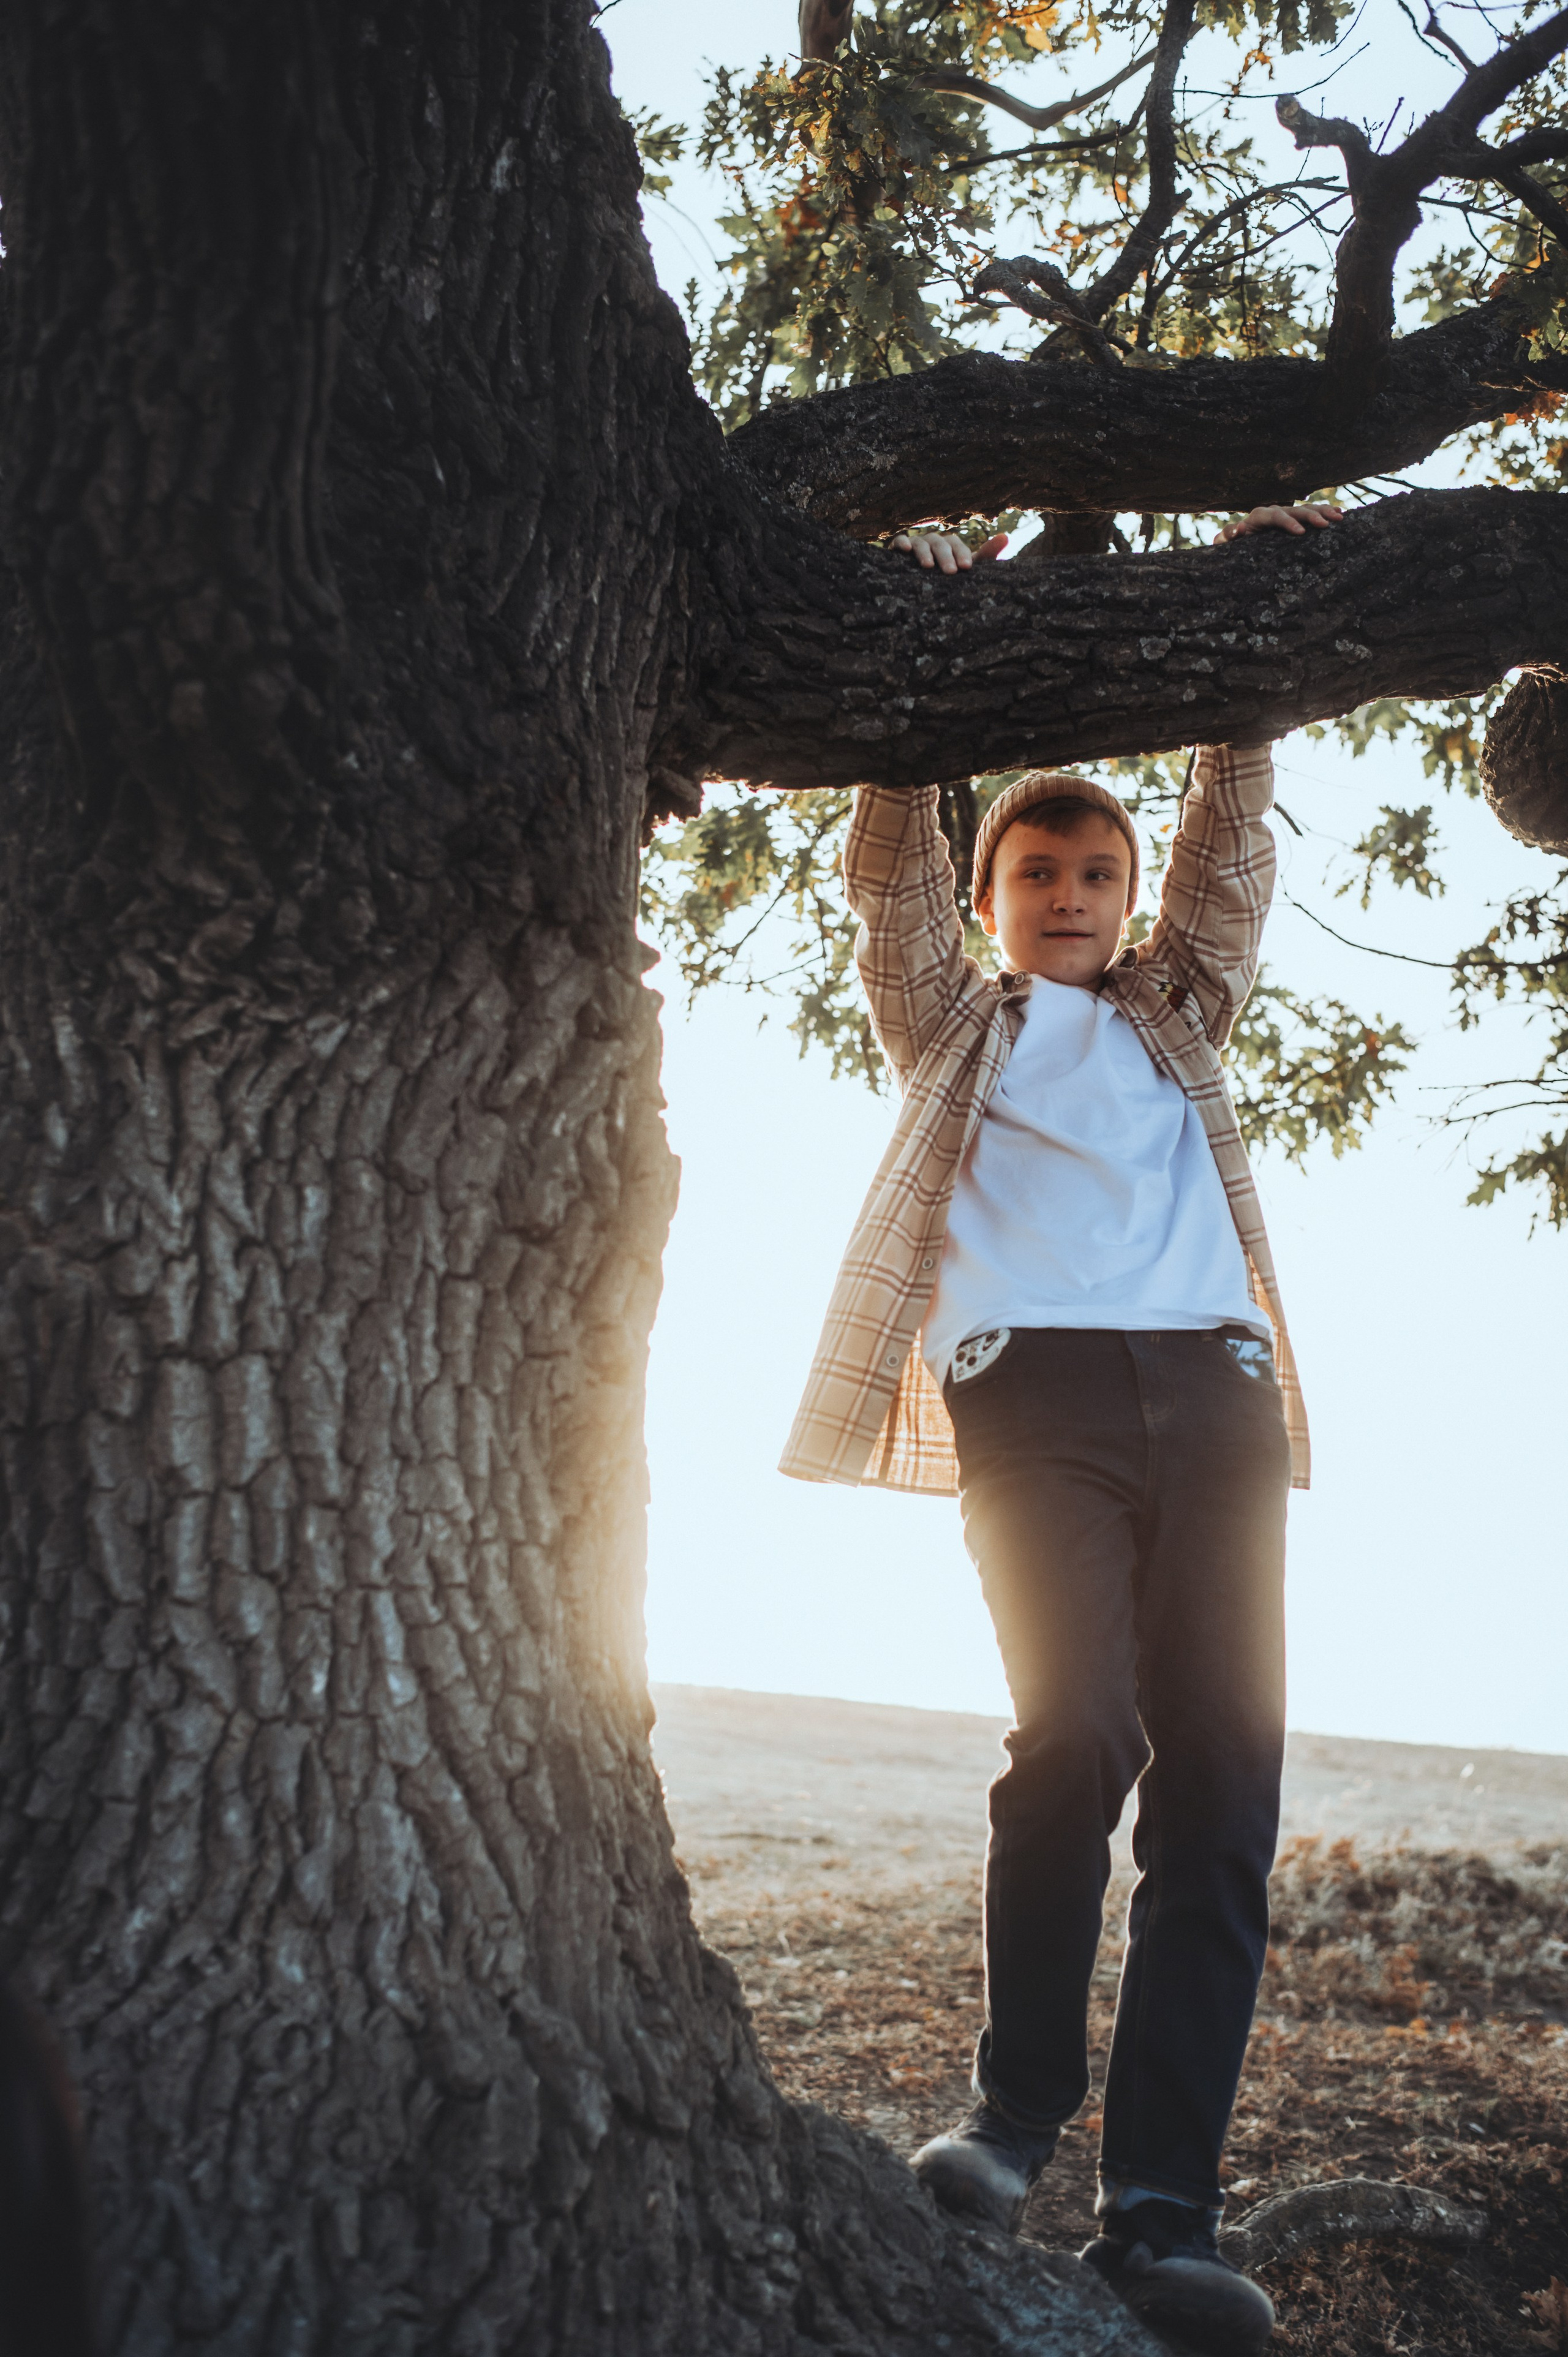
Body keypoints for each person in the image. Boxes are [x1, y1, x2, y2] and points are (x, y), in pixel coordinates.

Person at [779, 502, 1341, 2357]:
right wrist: (923, 668)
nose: (1079, 896)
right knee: (1080, 1730)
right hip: (1033, 1392)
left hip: (1216, 1390)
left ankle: (1161, 2211)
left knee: (1228, 1780)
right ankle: (1016, 2116)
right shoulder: (955, 1024)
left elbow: (1230, 865)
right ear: (996, 902)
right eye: (1041, 876)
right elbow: (884, 879)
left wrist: (1249, 671)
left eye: (1099, 872)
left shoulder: (1182, 1015)